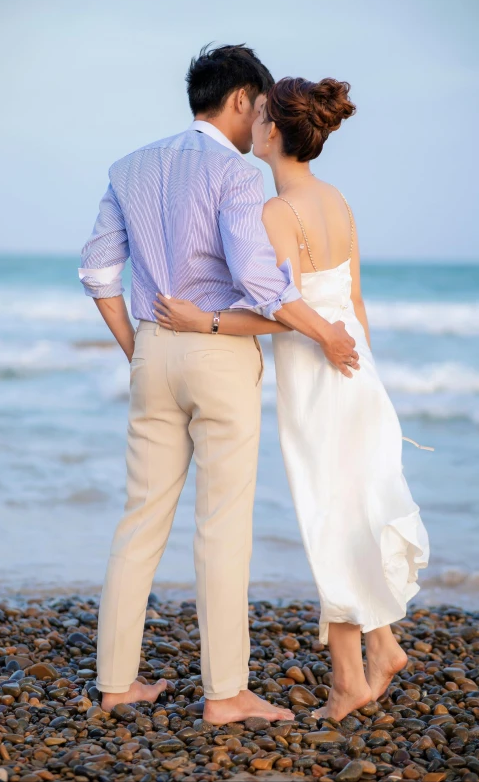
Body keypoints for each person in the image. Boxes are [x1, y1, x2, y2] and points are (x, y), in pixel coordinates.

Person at [78, 46, 358, 725]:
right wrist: (323, 332)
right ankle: (225, 692)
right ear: (240, 99)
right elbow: (263, 288)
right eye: (259, 107)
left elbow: (97, 273)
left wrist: (137, 347)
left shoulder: (129, 166)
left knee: (139, 518)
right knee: (222, 526)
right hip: (218, 352)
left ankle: (116, 684)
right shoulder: (234, 178)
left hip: (152, 348)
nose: (261, 120)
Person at [153, 76, 430, 721]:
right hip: (356, 366)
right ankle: (382, 646)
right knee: (353, 505)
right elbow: (353, 304)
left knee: (329, 513)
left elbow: (283, 312)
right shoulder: (339, 201)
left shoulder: (277, 212)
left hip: (317, 372)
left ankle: (347, 680)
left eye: (259, 116)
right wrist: (359, 363)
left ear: (272, 130)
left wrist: (206, 323)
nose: (248, 120)